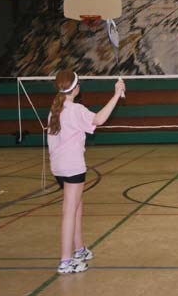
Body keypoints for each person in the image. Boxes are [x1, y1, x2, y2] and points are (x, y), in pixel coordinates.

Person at [48, 70, 125, 273]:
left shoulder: (54, 110)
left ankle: (79, 249)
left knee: (76, 206)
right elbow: (99, 119)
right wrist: (116, 94)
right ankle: (65, 261)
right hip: (72, 168)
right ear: (76, 88)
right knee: (69, 211)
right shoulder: (75, 109)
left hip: (58, 168)